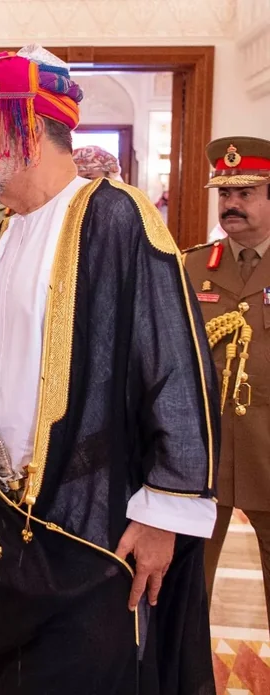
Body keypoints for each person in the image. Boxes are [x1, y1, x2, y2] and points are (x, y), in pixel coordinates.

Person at [0, 45, 219, 693]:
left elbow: (176, 367)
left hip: (95, 521)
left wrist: (165, 514)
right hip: (15, 521)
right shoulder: (10, 229)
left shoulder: (115, 215)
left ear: (24, 128)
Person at [182, 137, 270, 627]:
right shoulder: (192, 265)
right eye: (225, 193)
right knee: (187, 586)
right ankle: (187, 668)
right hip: (204, 453)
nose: (231, 204)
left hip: (267, 450)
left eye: (246, 193)